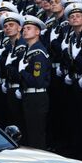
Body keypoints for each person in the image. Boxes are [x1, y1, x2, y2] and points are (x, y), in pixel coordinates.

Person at [19, 15, 51, 149]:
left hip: (37, 97)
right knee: (31, 135)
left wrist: (22, 72)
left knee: (37, 136)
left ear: (37, 32)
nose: (25, 31)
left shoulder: (38, 53)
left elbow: (37, 81)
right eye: (24, 28)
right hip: (30, 96)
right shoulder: (29, 51)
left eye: (29, 28)